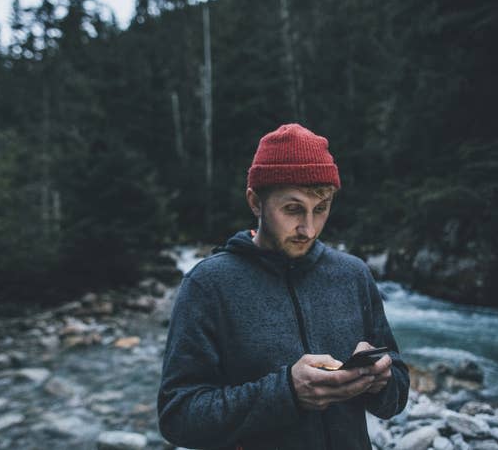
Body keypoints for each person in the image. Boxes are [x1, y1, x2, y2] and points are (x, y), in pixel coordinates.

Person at [157, 123, 409, 450]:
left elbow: (397, 396)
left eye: (321, 209)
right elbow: (178, 417)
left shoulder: (353, 274)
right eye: (292, 209)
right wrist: (287, 392)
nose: (308, 228)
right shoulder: (208, 285)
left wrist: (380, 381)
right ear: (255, 202)